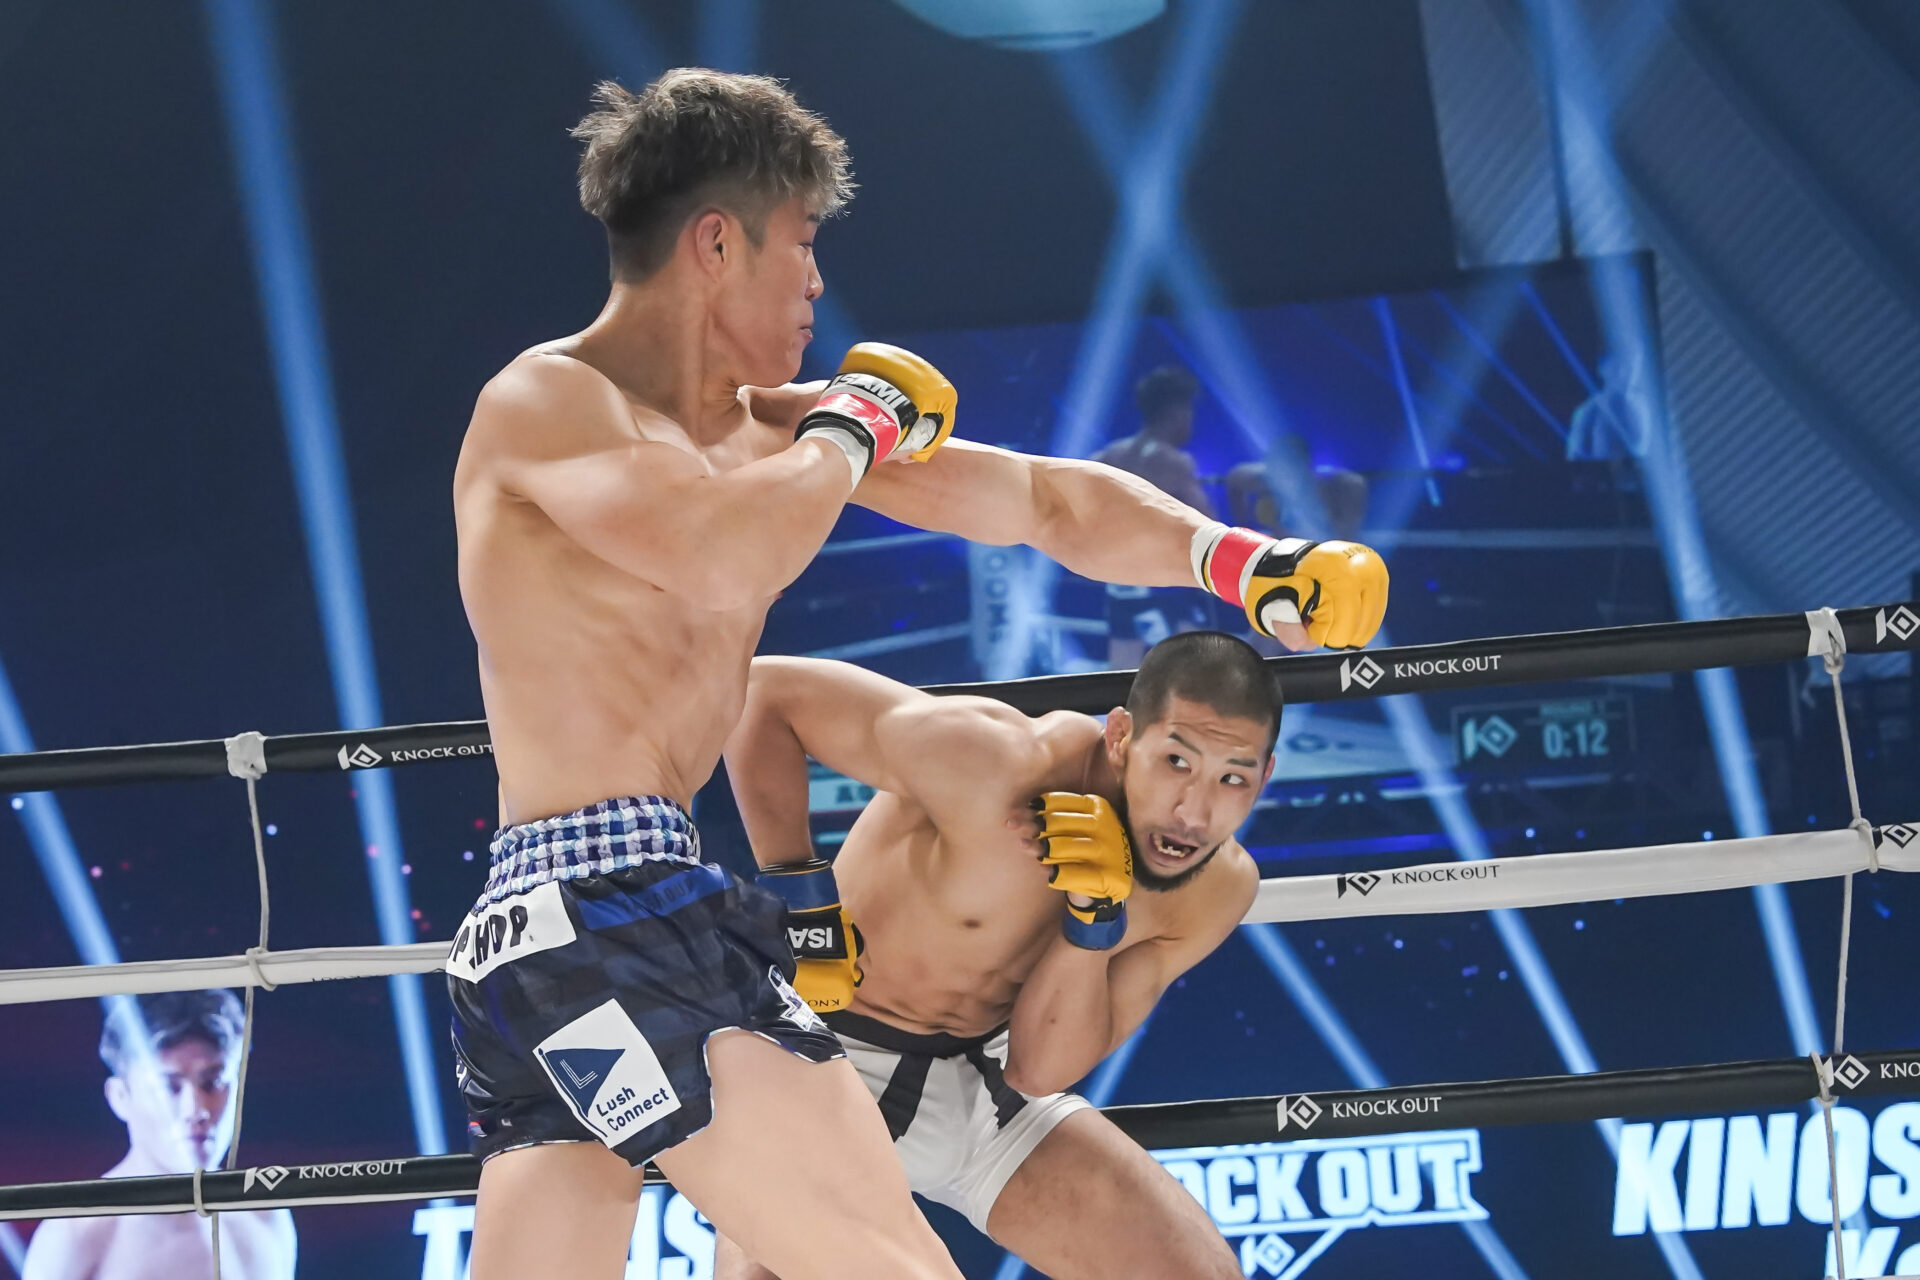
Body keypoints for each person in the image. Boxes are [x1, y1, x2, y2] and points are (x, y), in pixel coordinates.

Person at [450, 68, 1385, 1280]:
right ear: (717, 244)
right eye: (802, 242)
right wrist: (849, 427)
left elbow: (1041, 500)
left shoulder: (768, 432)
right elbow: (724, 552)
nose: (817, 282)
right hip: (598, 910)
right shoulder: (549, 401)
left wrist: (1240, 560)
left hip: (596, 928)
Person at [712, 632, 1285, 1280]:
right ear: (1122, 737)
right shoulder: (999, 763)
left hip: (985, 1084)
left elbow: (1039, 1070)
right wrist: (803, 904)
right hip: (816, 1060)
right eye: (1176, 762)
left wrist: (1093, 920)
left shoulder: (1215, 889)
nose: (1194, 812)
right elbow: (763, 692)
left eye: (1232, 778)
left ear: (1264, 776)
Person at [22, 992, 296, 1280]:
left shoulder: (266, 1217)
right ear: (120, 1097)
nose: (195, 1110)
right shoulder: (77, 1232)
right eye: (168, 1088)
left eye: (212, 1082)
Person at [1094, 366, 1219, 667]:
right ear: (1176, 412)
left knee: (1120, 672)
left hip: (1120, 580)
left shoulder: (1106, 458)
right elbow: (1210, 526)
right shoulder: (1173, 461)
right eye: (1189, 411)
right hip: (1166, 581)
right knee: (1192, 670)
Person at [1565, 352, 1651, 462]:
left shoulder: (1642, 404)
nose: (1626, 372)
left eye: (1632, 365)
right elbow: (1575, 452)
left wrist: (1611, 413)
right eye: (1617, 366)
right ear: (1602, 370)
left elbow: (1640, 448)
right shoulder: (1590, 408)